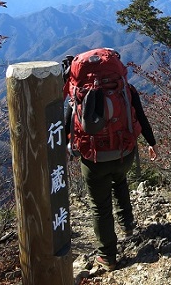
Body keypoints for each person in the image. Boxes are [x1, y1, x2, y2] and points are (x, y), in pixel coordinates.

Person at [63, 56, 160, 272]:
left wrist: (63, 149)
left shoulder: (77, 93)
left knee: (100, 207)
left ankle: (107, 256)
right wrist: (151, 143)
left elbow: (66, 124)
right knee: (120, 178)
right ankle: (127, 224)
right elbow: (141, 118)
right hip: (124, 153)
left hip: (94, 159)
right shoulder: (125, 89)